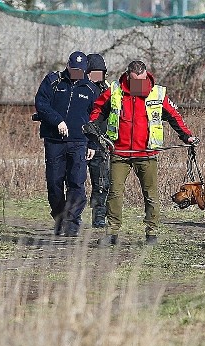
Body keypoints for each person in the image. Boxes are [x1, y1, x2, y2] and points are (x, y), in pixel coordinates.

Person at [90, 60, 199, 245]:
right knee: (115, 193)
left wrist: (187, 136)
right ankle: (112, 233)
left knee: (150, 194)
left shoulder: (157, 93)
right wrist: (93, 127)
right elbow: (98, 109)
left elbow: (174, 116)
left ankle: (151, 233)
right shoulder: (114, 90)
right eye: (135, 82)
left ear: (146, 75)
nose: (140, 85)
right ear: (128, 77)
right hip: (119, 152)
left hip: (147, 153)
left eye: (142, 81)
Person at [34, 51, 99, 237]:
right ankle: (59, 217)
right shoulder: (53, 81)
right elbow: (41, 104)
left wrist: (93, 144)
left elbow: (96, 118)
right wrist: (57, 121)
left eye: (80, 70)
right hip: (55, 141)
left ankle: (72, 224)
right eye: (73, 69)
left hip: (79, 142)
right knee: (54, 183)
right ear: (67, 66)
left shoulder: (91, 89)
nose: (76, 73)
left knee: (76, 183)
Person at [85, 53, 111, 228]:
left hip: (100, 143)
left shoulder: (108, 91)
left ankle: (99, 217)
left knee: (101, 183)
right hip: (79, 141)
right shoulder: (79, 88)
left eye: (99, 73)